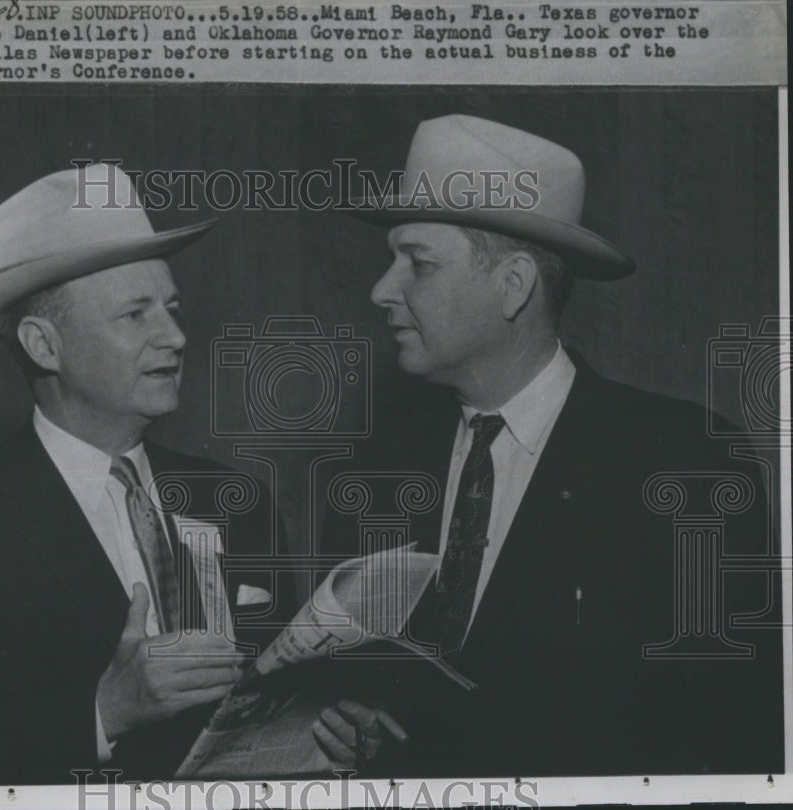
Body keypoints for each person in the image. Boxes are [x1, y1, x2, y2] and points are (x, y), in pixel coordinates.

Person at [0, 164, 377, 784]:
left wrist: (328, 727)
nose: (174, 336)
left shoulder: (237, 500)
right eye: (135, 315)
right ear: (44, 346)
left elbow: (273, 706)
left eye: (172, 308)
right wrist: (104, 711)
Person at [323, 115, 784, 776]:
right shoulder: (376, 467)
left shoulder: (685, 463)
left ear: (513, 286)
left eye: (416, 263)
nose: (381, 290)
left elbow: (734, 736)